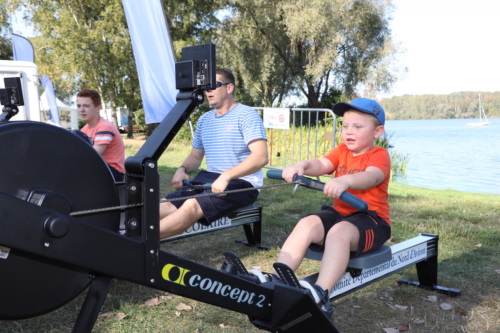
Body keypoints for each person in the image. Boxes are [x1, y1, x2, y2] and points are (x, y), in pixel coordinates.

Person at [265, 98, 391, 319]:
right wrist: (302, 165)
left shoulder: (378, 155)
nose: (348, 132)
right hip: (342, 214)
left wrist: (346, 181)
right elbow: (322, 164)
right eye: (345, 126)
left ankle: (320, 293)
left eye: (358, 127)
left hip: (372, 219)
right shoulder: (341, 150)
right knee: (306, 223)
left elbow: (373, 176)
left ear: (377, 131)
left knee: (338, 233)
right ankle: (277, 279)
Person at [159, 68, 268, 239]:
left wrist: (226, 176)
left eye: (213, 86)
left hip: (243, 183)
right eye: (206, 87)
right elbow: (195, 157)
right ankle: (126, 235)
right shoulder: (204, 119)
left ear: (229, 88)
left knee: (191, 206)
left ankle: (138, 242)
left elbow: (260, 157)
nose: (208, 91)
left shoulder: (247, 115)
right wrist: (182, 169)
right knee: (165, 205)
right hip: (209, 179)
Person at [77, 89, 126, 182]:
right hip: (99, 168)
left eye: (86, 106)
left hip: (113, 172)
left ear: (98, 108)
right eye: (78, 106)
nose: (81, 110)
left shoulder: (105, 127)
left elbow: (92, 156)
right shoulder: (84, 129)